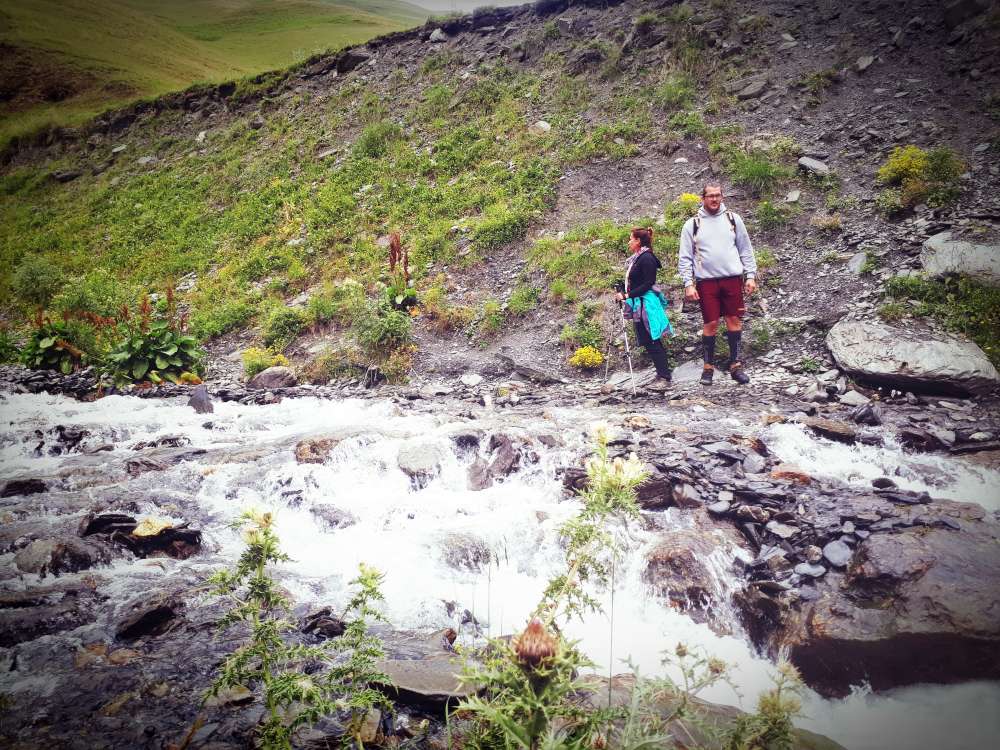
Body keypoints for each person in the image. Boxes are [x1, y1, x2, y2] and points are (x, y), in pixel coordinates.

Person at [677, 183, 757, 386]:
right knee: (710, 323)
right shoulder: (692, 224)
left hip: (732, 279)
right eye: (710, 196)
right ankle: (708, 367)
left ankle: (736, 366)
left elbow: (745, 248)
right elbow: (685, 257)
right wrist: (688, 283)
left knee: (734, 320)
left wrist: (750, 275)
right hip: (706, 282)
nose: (714, 199)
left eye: (718, 195)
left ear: (722, 197)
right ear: (702, 198)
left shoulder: (733, 219)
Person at [616, 227, 673, 392]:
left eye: (631, 239)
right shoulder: (638, 258)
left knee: (652, 339)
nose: (629, 242)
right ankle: (662, 375)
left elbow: (648, 283)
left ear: (638, 241)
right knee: (649, 340)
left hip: (646, 304)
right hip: (640, 303)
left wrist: (627, 295)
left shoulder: (646, 258)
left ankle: (664, 377)